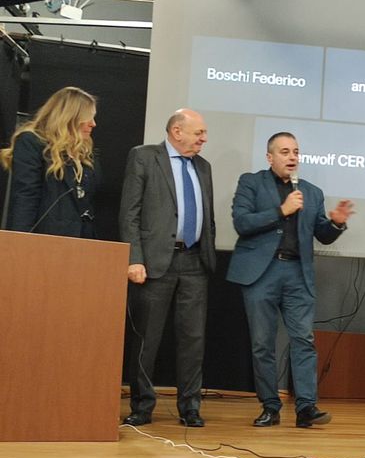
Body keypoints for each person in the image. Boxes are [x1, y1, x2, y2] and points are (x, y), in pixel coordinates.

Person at [226, 132, 354, 428]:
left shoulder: (312, 192)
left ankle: (306, 407)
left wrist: (336, 223)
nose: (292, 157)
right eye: (285, 152)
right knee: (262, 343)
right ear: (269, 157)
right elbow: (242, 222)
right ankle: (270, 407)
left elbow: (322, 234)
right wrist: (281, 211)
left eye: (296, 151)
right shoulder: (251, 182)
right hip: (262, 273)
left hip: (298, 273)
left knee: (303, 340)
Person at [119, 109, 216, 428]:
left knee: (193, 340)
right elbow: (130, 212)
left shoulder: (203, 166)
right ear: (177, 131)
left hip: (195, 262)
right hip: (153, 262)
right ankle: (142, 406)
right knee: (146, 339)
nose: (204, 139)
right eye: (199, 133)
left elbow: (207, 216)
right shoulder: (145, 157)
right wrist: (134, 257)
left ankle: (190, 407)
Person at [1, 86, 101, 237]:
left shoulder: (85, 152)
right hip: (44, 238)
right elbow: (26, 196)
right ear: (69, 117)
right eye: (88, 117)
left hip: (82, 241)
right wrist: (19, 241)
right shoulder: (32, 142)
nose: (93, 123)